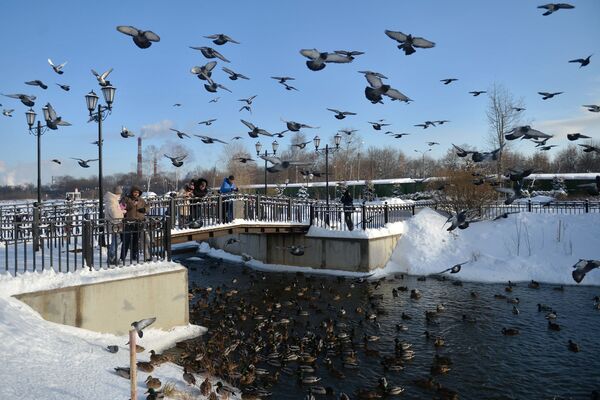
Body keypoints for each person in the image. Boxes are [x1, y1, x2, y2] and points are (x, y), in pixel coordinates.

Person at [120, 185, 147, 263]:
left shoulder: (141, 200)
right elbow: (121, 207)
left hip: (139, 222)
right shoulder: (126, 199)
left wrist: (144, 209)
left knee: (136, 240)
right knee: (126, 240)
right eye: (135, 192)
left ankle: (134, 255)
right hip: (129, 222)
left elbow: (147, 206)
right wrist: (132, 205)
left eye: (137, 192)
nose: (136, 194)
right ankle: (123, 257)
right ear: (132, 192)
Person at [104, 185, 125, 265]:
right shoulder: (112, 201)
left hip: (114, 224)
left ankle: (112, 257)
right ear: (117, 193)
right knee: (116, 240)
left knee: (116, 240)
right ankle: (112, 258)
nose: (120, 196)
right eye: (119, 194)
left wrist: (121, 210)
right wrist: (122, 213)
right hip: (114, 224)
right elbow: (114, 214)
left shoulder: (112, 200)